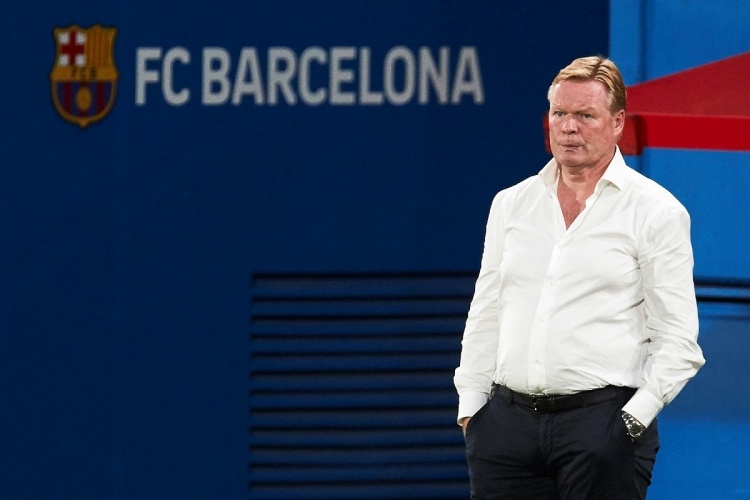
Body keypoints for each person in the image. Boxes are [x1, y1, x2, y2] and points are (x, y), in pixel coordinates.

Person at [453, 55, 705, 500]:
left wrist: (632, 421)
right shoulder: (511, 204)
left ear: (617, 123)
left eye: (585, 116)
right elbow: (486, 310)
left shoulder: (656, 212)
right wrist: (473, 410)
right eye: (559, 114)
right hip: (506, 431)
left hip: (602, 428)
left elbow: (679, 340)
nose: (568, 127)